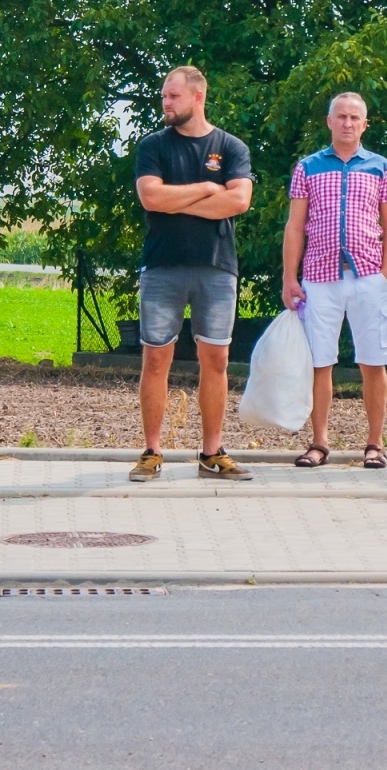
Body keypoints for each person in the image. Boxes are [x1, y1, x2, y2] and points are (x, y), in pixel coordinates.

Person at [129, 66, 255, 482]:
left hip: (216, 268)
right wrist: (206, 189)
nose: (166, 103)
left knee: (216, 359)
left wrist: (177, 201)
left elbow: (238, 202)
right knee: (155, 358)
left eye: (173, 96)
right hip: (162, 266)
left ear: (198, 97)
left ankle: (211, 452)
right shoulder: (153, 145)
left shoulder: (230, 147)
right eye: (164, 96)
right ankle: (151, 452)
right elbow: (151, 197)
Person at [282, 92, 387, 470]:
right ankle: (319, 443)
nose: (347, 123)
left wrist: (386, 275)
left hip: (368, 276)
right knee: (320, 363)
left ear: (365, 124)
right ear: (329, 122)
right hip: (319, 278)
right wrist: (289, 277)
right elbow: (295, 225)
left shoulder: (382, 167)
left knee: (373, 362)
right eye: (341, 116)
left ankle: (375, 444)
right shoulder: (308, 167)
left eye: (354, 117)